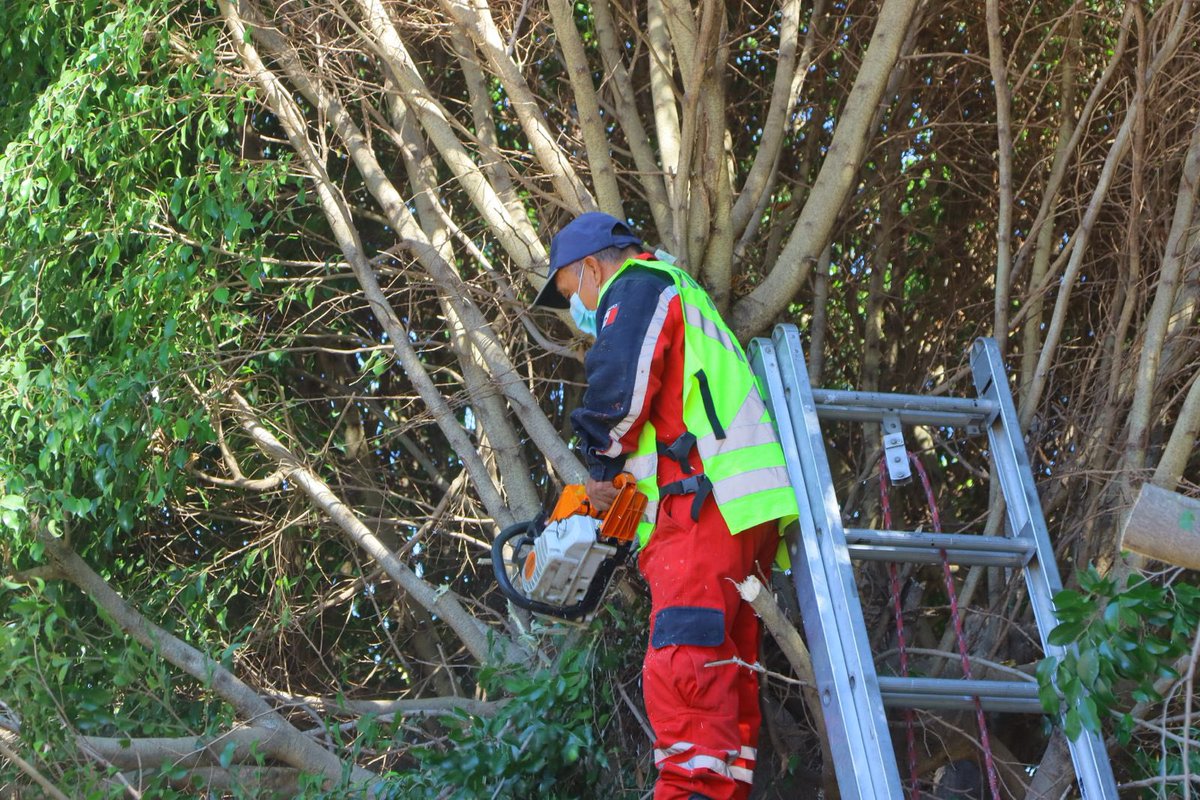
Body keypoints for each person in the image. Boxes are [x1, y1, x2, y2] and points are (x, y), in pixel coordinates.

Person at [532, 212, 799, 800]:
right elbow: (666, 422)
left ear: (592, 268)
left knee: (684, 662)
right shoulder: (682, 298)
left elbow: (617, 388)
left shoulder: (637, 286)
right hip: (734, 512)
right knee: (723, 674)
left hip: (704, 510)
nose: (578, 311)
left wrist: (598, 466)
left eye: (573, 291)